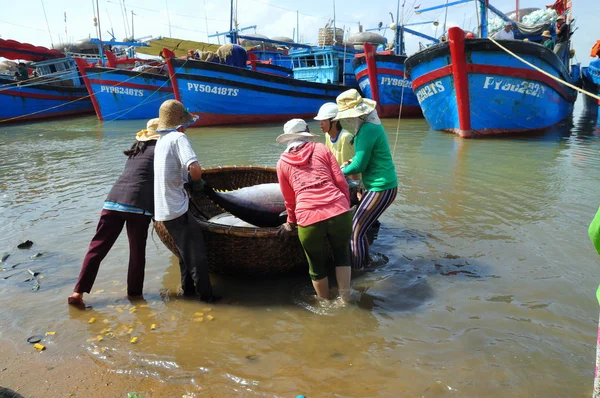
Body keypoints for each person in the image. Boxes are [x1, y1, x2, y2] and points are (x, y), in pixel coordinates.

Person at [68, 119, 160, 306]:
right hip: (138, 207)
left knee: (96, 248)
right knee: (136, 253)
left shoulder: (136, 151)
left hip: (112, 202)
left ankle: (77, 292)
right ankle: (134, 296)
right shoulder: (160, 151)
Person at [276, 119, 353, 301]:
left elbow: (289, 199)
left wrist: (291, 222)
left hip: (308, 217)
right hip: (338, 210)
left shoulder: (282, 163)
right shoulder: (321, 148)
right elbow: (341, 181)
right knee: (342, 256)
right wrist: (346, 205)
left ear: (288, 139)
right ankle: (346, 301)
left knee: (316, 267)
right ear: (307, 132)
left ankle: (325, 305)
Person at [153, 99, 220, 303]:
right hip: (176, 207)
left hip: (163, 208)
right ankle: (207, 298)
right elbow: (194, 167)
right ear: (182, 123)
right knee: (197, 255)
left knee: (184, 253)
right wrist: (197, 183)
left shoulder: (160, 141)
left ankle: (188, 291)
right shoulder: (177, 138)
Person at [333, 89, 398, 270]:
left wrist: (338, 171)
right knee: (360, 229)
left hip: (381, 187)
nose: (346, 120)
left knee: (355, 231)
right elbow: (365, 159)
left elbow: (360, 166)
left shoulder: (366, 130)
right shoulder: (370, 126)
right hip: (384, 186)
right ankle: (367, 263)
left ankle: (358, 270)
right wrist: (351, 162)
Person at [314, 102, 359, 180]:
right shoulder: (327, 135)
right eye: (320, 121)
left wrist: (355, 189)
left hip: (349, 183)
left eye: (324, 120)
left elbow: (352, 167)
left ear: (334, 121)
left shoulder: (346, 138)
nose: (320, 124)